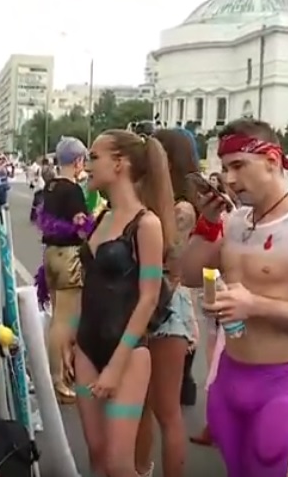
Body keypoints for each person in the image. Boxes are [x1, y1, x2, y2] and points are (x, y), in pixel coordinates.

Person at [179, 118, 288, 477]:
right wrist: (207, 224)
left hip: (282, 384)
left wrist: (255, 305)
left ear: (272, 161)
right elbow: (189, 275)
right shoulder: (234, 221)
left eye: (238, 166)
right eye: (225, 168)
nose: (229, 179)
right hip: (229, 376)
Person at [69, 129, 174, 477]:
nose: (86, 167)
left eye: (94, 157)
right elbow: (89, 285)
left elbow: (149, 298)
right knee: (97, 455)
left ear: (120, 163)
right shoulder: (103, 218)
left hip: (127, 353)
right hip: (87, 347)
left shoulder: (147, 224)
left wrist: (116, 365)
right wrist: (71, 335)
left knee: (118, 464)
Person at [133, 129, 199, 477]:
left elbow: (171, 258)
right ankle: (141, 470)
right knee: (140, 404)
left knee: (166, 409)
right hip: (143, 304)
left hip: (167, 306)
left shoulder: (181, 209)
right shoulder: (146, 202)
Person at [37, 136, 91, 402]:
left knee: (57, 317)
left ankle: (55, 376)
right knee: (65, 321)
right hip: (69, 255)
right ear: (78, 160)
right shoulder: (73, 190)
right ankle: (59, 380)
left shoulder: (50, 186)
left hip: (50, 254)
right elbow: (81, 227)